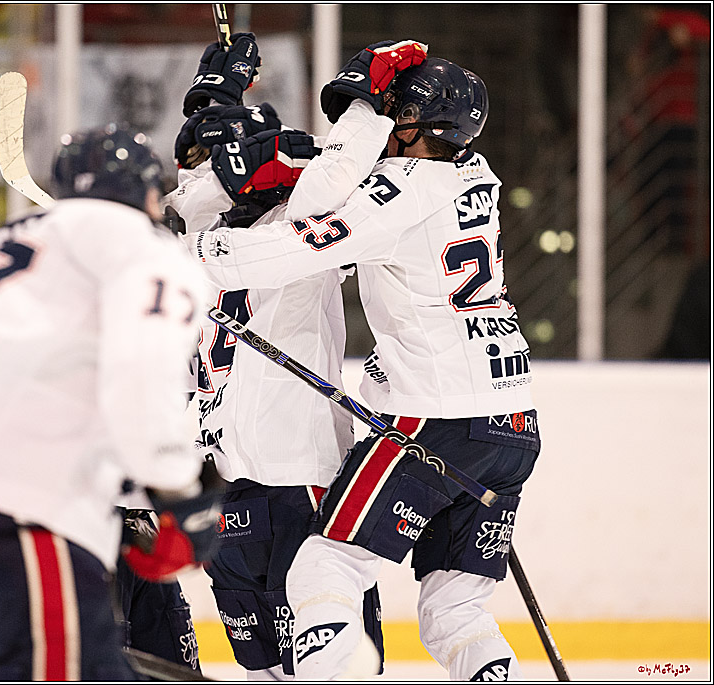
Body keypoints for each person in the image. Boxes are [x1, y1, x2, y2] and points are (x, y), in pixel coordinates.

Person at [188, 51, 541, 681]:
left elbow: (302, 234)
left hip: (433, 420)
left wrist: (195, 246)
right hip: (511, 423)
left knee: (325, 567)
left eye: (394, 112)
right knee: (454, 608)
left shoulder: (400, 192)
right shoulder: (475, 174)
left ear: (412, 122)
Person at [0, 125, 222, 681]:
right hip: (37, 536)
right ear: (147, 195)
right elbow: (140, 372)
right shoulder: (143, 245)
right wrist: (180, 497)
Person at [165, 34, 430, 680]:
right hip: (300, 486)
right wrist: (367, 99)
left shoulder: (190, 230)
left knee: (265, 673)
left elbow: (204, 169)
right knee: (337, 666)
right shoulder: (295, 226)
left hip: (226, 488)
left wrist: (214, 96)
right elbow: (335, 169)